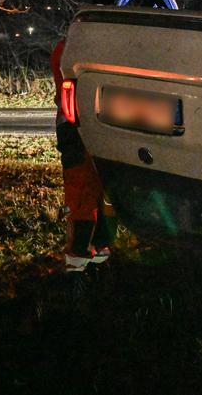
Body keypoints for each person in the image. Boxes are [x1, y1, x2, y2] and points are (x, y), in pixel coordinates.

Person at [51, 38, 115, 271]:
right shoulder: (84, 47)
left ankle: (89, 248)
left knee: (86, 184)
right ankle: (84, 250)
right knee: (89, 184)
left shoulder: (68, 46)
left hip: (75, 123)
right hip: (82, 123)